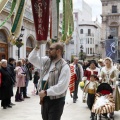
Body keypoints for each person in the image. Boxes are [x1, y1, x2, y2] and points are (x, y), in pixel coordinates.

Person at [28, 42, 70, 120]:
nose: (48, 51)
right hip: (44, 99)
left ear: (58, 51)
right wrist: (37, 47)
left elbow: (62, 86)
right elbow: (31, 59)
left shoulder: (64, 66)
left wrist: (47, 92)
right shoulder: (47, 60)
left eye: (51, 49)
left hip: (56, 101)